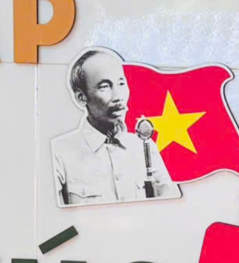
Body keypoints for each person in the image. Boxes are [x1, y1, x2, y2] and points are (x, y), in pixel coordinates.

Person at [51, 47, 179, 206]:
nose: (118, 97)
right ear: (81, 97)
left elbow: (170, 209)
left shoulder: (144, 147)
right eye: (104, 86)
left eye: (121, 83)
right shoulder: (59, 153)